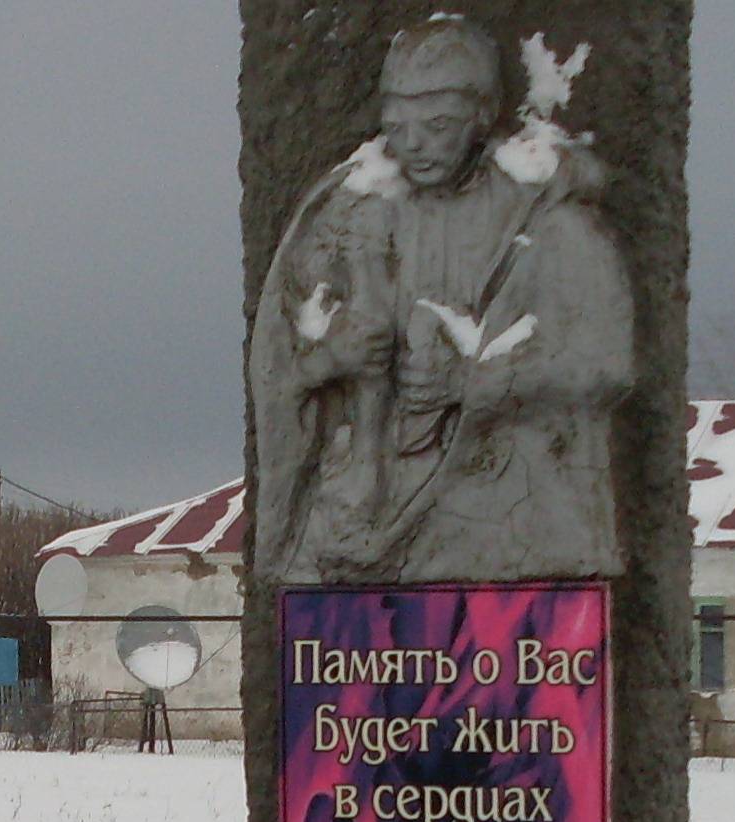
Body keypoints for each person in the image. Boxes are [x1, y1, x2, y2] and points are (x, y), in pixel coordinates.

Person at [248, 14, 636, 585]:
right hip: (367, 496)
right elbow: (281, 358)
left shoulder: (549, 221)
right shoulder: (350, 212)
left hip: (505, 508)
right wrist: (332, 357)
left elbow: (605, 362)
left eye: (436, 125)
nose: (414, 144)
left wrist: (474, 381)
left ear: (480, 116)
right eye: (398, 126)